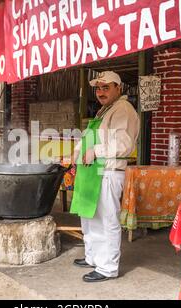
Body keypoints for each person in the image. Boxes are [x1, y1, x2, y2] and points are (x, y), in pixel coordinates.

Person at [70, 71, 140, 282]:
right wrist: (76, 151)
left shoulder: (123, 109)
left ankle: (108, 267)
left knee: (107, 220)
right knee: (90, 218)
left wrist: (95, 152)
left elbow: (123, 144)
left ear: (118, 88)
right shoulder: (104, 110)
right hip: (92, 172)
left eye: (105, 87)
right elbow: (91, 137)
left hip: (108, 172)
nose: (100, 92)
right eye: (98, 88)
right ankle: (93, 257)